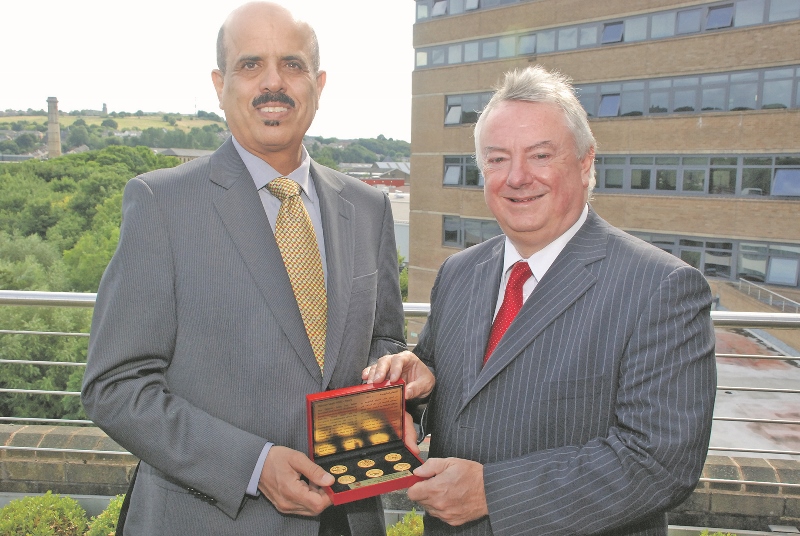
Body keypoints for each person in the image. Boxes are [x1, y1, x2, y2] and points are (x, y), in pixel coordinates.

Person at [81, 3, 407, 535]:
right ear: (219, 83)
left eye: (293, 65)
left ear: (319, 84)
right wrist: (252, 466)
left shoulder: (369, 208)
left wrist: (395, 373)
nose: (273, 83)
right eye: (251, 64)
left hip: (345, 520)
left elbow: (383, 344)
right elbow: (115, 386)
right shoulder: (161, 204)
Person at [364, 66, 716, 535]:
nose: (516, 177)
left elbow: (658, 462)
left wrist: (495, 492)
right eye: (497, 159)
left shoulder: (662, 287)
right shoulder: (458, 273)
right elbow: (465, 399)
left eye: (540, 155)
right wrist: (419, 390)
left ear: (587, 162)